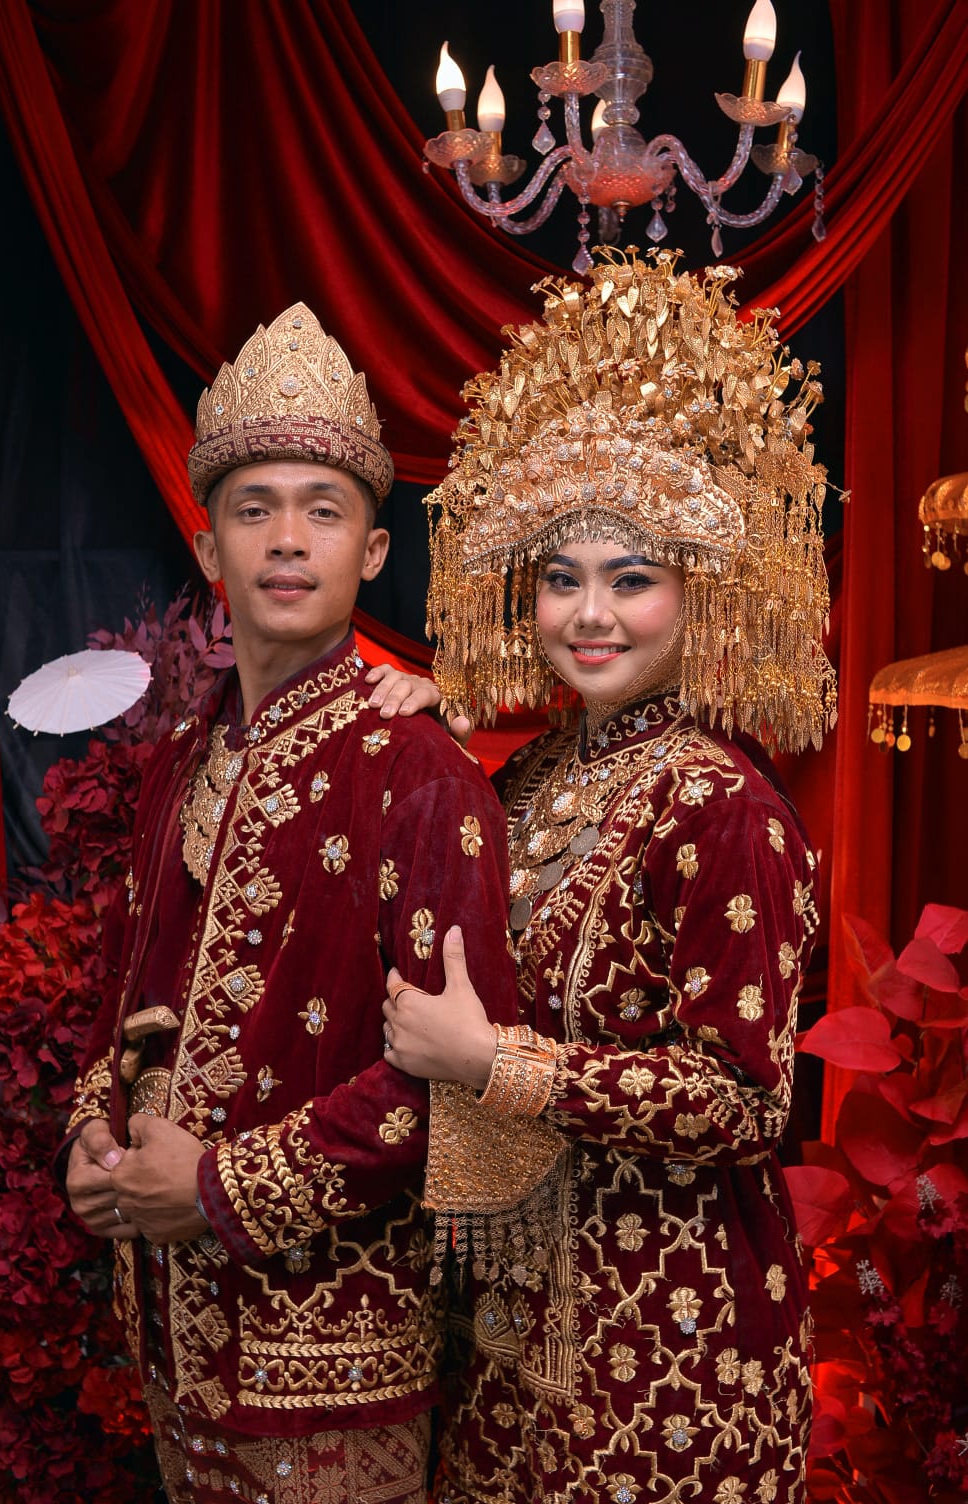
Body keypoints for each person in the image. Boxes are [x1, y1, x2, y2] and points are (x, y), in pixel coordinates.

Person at [379, 249, 835, 1504]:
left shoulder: (723, 807)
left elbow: (744, 1100)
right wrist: (428, 746)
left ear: (696, 593)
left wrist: (496, 1063)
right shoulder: (525, 777)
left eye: (629, 579)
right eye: (561, 578)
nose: (589, 614)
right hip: (514, 1318)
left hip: (674, 1340)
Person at [61, 300, 518, 1504]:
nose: (286, 540)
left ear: (372, 551)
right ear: (206, 545)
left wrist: (215, 1187)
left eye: (323, 511)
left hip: (333, 1361)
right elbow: (125, 1008)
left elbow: (459, 1087)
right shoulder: (178, 764)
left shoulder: (421, 771)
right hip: (170, 1336)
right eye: (253, 508)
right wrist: (90, 1142)